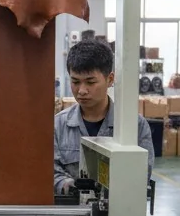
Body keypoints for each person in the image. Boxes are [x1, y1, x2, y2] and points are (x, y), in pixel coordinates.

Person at [54, 38, 155, 194]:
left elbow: (141, 176)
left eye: (90, 82)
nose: (81, 90)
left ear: (110, 79)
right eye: (75, 81)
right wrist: (69, 185)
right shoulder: (58, 125)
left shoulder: (135, 126)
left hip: (119, 215)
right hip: (71, 215)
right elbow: (51, 171)